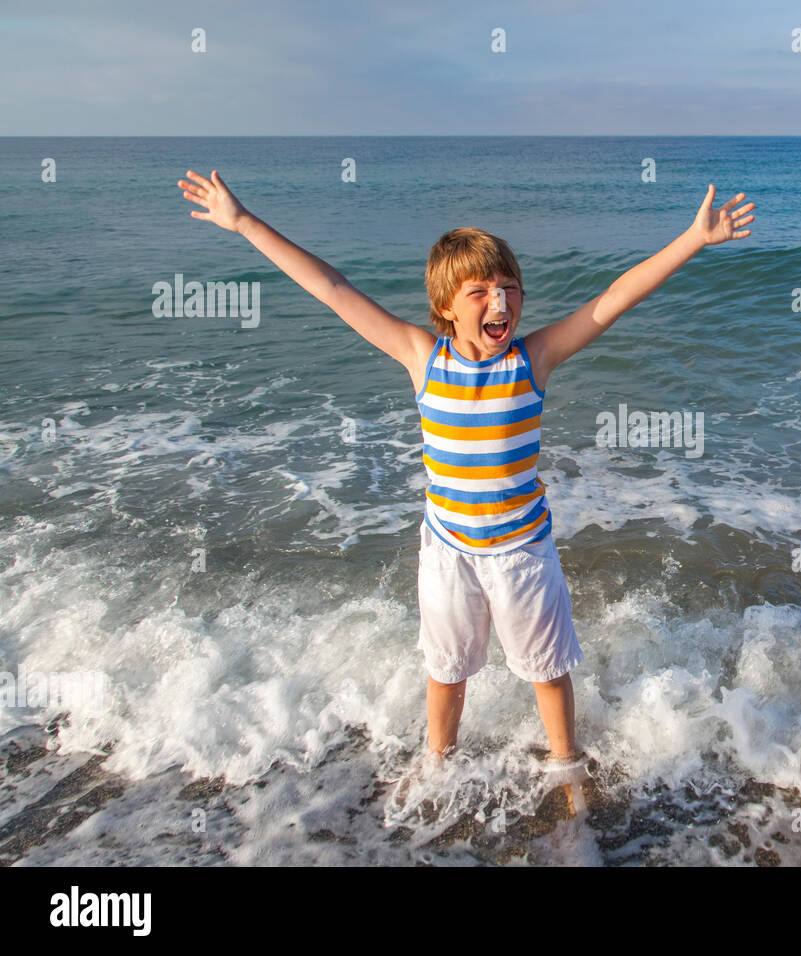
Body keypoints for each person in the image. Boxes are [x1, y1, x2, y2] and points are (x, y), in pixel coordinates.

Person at [176, 168, 755, 766]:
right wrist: (243, 221)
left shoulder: (534, 359)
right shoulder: (421, 357)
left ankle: (565, 766)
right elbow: (333, 288)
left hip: (522, 552)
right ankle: (437, 763)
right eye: (479, 291)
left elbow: (612, 299)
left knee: (547, 672)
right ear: (446, 308)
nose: (498, 300)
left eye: (509, 287)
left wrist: (692, 240)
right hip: (448, 548)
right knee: (446, 672)